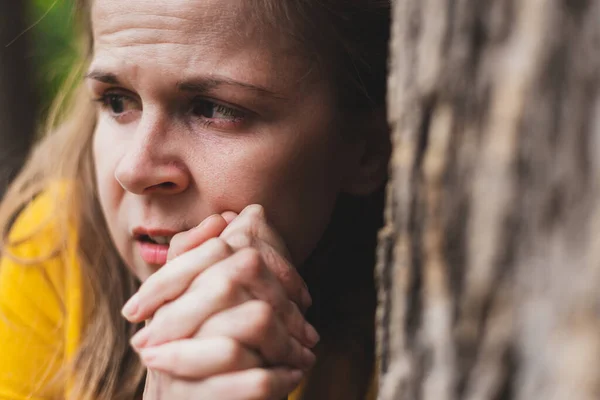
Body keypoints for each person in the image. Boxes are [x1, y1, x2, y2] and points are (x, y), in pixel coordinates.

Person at [0, 0, 391, 399]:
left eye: (215, 109)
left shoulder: (426, 335)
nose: (134, 171)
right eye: (117, 100)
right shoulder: (55, 250)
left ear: (366, 150)